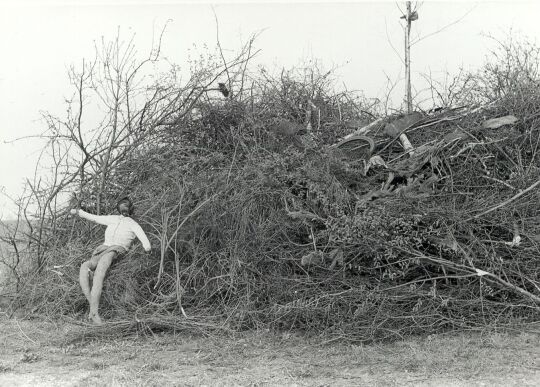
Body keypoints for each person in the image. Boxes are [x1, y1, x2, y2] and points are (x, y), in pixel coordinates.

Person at [70, 197, 151, 324]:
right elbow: (95, 217)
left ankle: (94, 312)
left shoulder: (133, 224)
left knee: (101, 267)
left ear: (130, 209)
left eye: (127, 205)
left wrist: (147, 247)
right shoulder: (112, 218)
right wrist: (79, 212)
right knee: (85, 266)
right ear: (118, 207)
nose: (124, 207)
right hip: (104, 248)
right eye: (122, 205)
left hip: (117, 249)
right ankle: (92, 306)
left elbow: (143, 238)